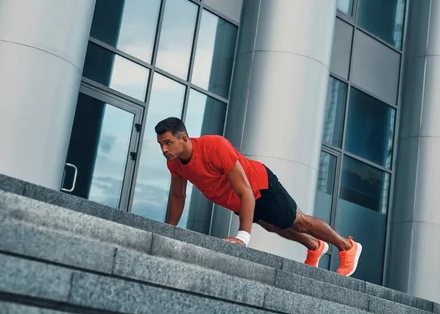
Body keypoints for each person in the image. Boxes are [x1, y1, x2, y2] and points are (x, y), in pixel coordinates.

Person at [154, 117, 362, 277]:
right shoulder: (174, 163)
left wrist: (243, 237)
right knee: (274, 226)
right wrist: (169, 230)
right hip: (238, 200)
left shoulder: (214, 146)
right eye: (161, 144)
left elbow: (245, 190)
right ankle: (315, 247)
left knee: (298, 221)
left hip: (259, 186)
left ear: (183, 138)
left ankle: (347, 247)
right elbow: (178, 196)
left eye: (168, 143)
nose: (164, 149)